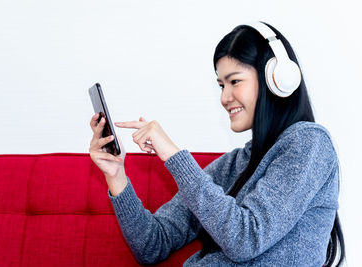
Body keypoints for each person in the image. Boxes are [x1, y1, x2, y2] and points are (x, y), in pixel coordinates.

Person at [88, 21, 345, 266]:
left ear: (276, 78)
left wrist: (174, 156)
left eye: (234, 81)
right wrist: (116, 175)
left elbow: (246, 239)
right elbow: (152, 245)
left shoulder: (308, 143)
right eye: (221, 85)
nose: (224, 97)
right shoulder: (232, 165)